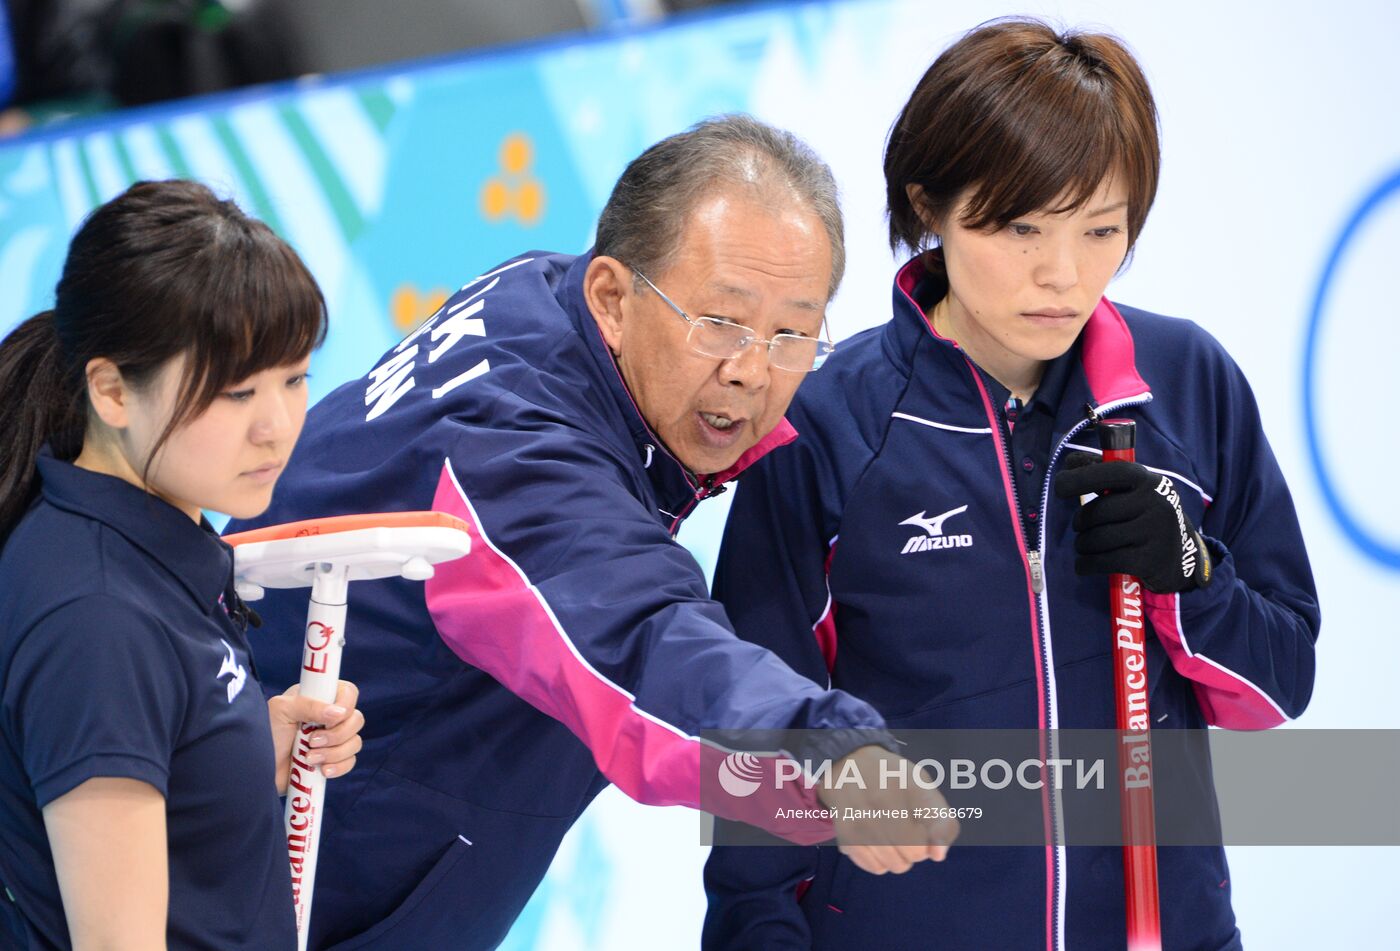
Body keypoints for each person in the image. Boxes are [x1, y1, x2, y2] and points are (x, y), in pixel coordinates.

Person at [227, 114, 958, 950]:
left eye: (792, 333)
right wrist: (825, 749)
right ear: (613, 299)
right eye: (720, 321)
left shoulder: (543, 299)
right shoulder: (517, 451)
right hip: (266, 885)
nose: (752, 369)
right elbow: (643, 644)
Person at [702, 19, 1320, 951]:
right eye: (1020, 226)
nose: (1062, 274)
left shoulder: (1186, 382)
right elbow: (747, 754)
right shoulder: (830, 429)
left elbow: (1281, 686)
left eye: (1101, 230)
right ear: (930, 206)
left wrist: (1194, 577)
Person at [0, 180, 366, 950]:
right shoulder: (96, 618)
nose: (276, 426)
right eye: (236, 393)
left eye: (295, 378)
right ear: (111, 391)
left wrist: (229, 753)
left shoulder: (150, 538)